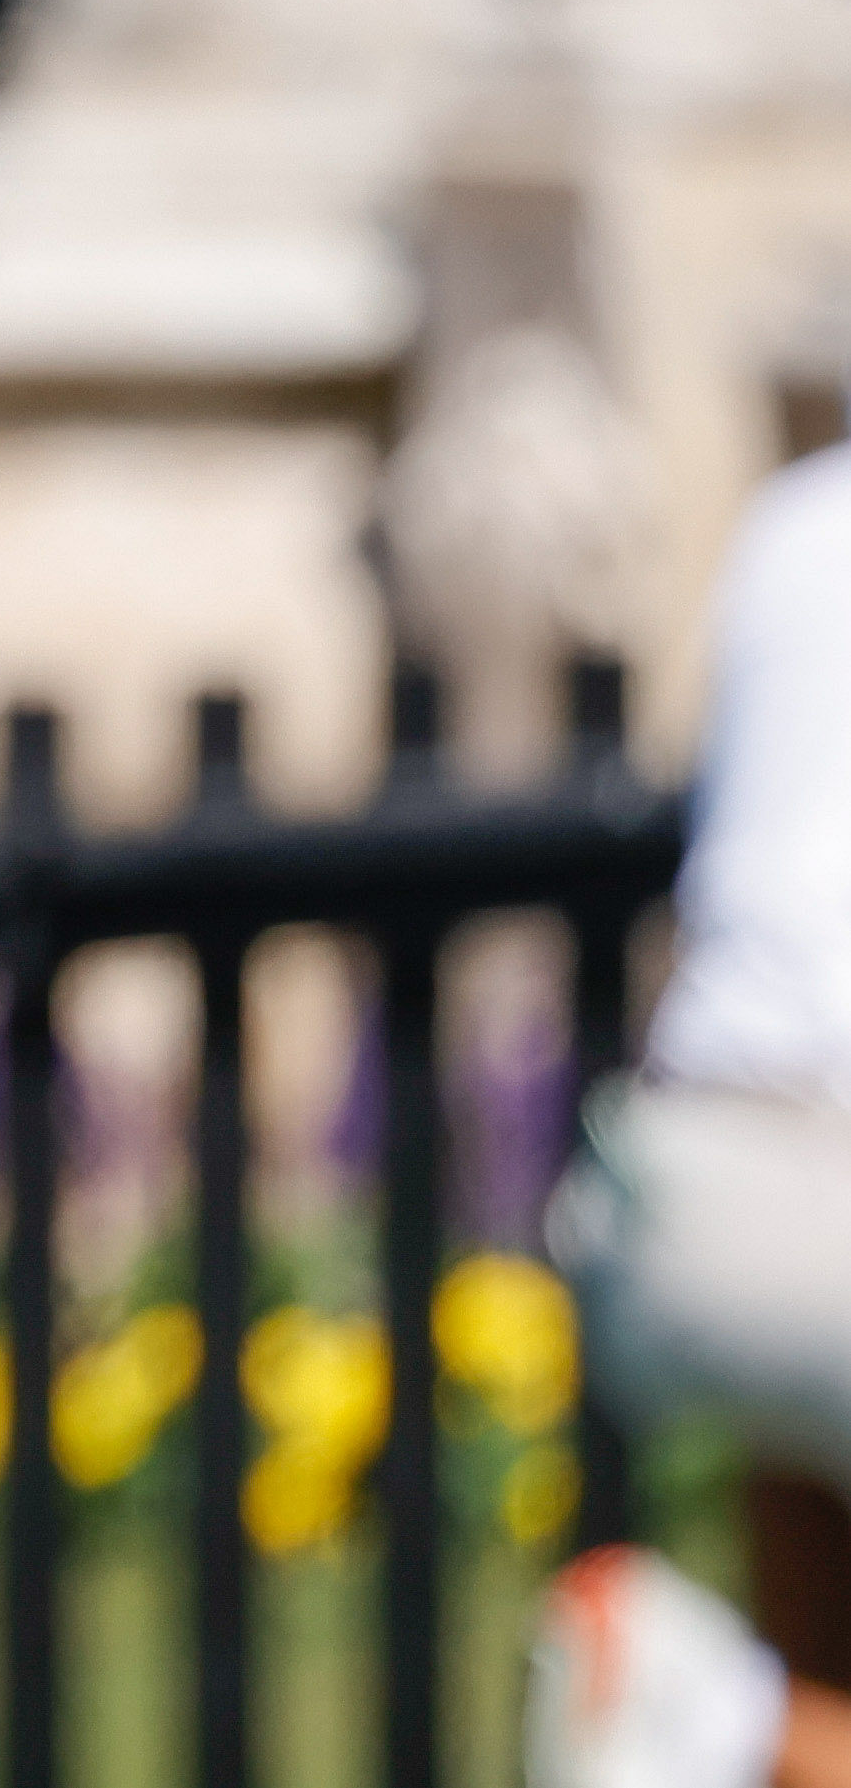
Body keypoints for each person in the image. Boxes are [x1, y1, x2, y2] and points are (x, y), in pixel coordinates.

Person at [536, 442, 851, 1788]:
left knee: (824, 1659)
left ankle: (728, 1718)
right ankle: (705, 1705)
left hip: (694, 1190)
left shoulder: (795, 519)